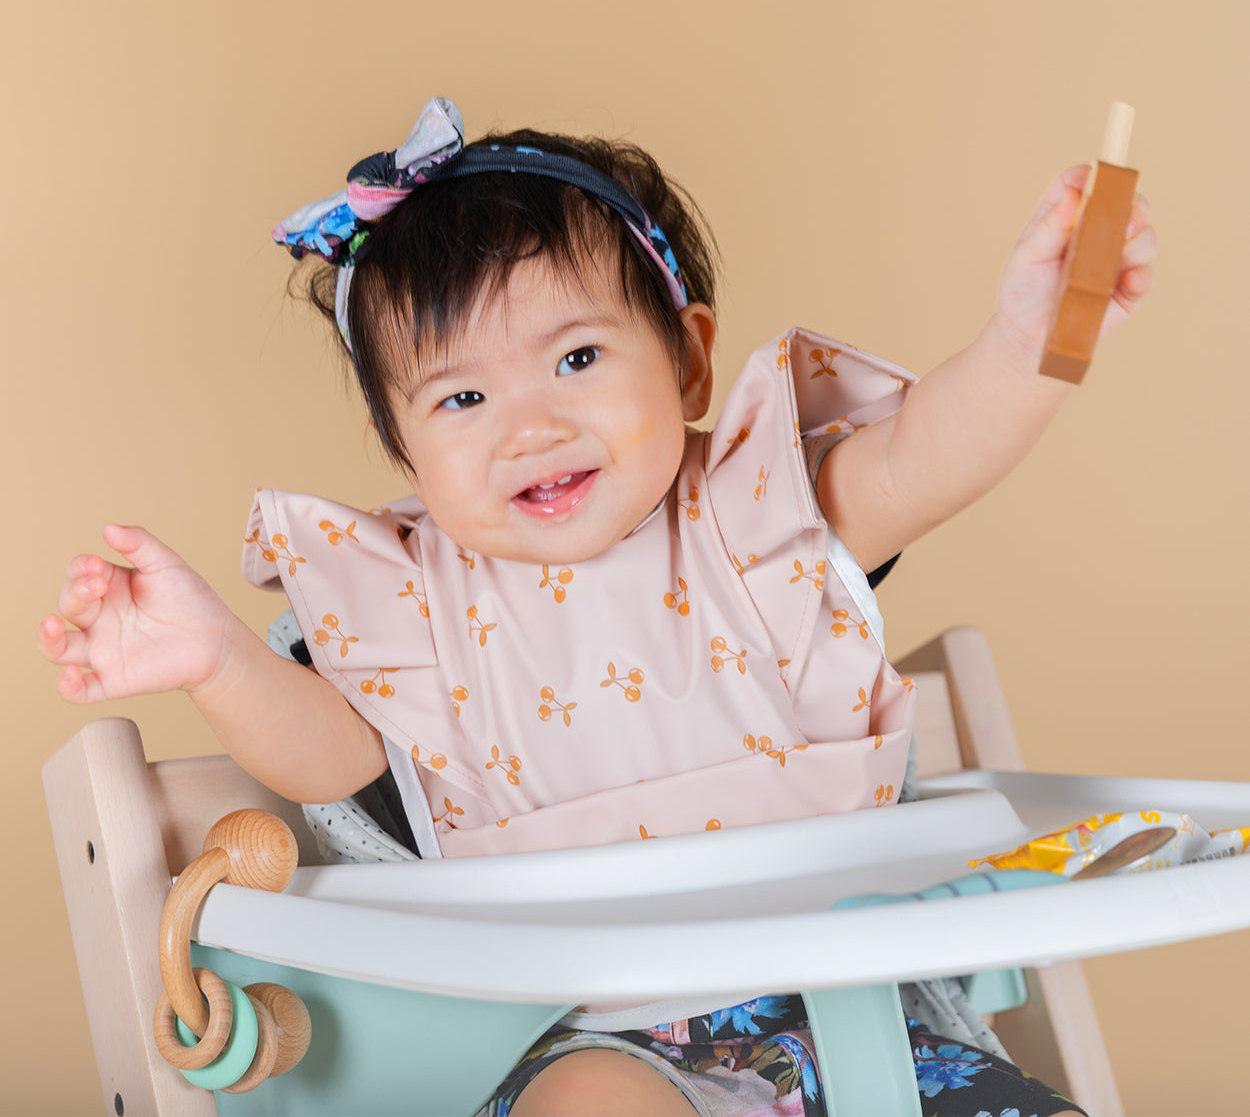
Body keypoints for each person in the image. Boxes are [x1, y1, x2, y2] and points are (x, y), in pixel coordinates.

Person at [37, 97, 1155, 1116]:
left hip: (862, 1024)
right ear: (405, 449)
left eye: (575, 355)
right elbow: (333, 760)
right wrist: (215, 659)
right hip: (574, 1039)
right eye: (463, 395)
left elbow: (923, 459)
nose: (528, 423)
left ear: (689, 362)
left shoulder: (754, 522)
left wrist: (1024, 345)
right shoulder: (412, 608)